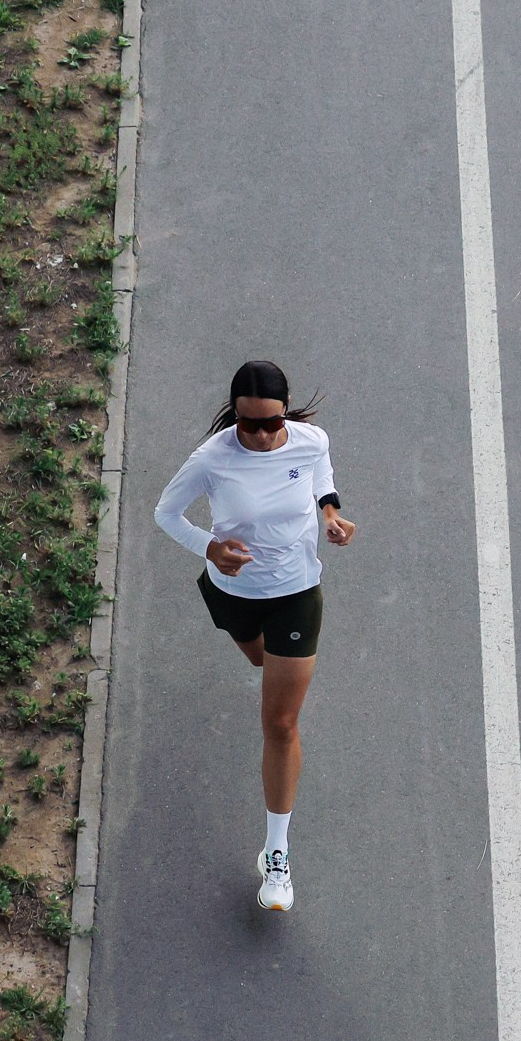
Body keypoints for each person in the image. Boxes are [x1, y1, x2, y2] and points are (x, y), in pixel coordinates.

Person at [154, 359, 356, 911]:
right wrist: (210, 547)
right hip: (233, 593)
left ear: (284, 412)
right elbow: (166, 513)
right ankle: (276, 670)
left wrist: (331, 514)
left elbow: (322, 474)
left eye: (271, 424)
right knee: (258, 662)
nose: (263, 436)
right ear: (235, 416)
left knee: (281, 722)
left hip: (295, 591)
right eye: (249, 425)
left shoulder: (310, 441)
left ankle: (276, 856)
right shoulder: (213, 459)